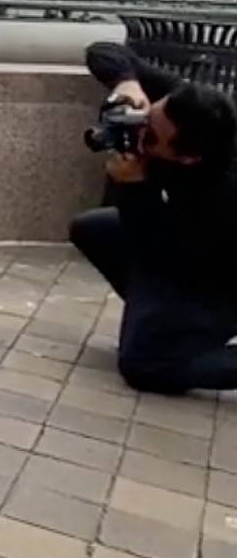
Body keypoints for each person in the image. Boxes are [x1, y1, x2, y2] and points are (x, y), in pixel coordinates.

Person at [71, 41, 237, 394]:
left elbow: (174, 258)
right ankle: (156, 320)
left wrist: (134, 188)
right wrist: (128, 83)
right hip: (187, 253)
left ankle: (172, 336)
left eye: (150, 137)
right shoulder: (180, 107)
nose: (139, 134)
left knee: (145, 365)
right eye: (143, 120)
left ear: (189, 157)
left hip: (221, 279)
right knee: (92, 229)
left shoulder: (224, 194)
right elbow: (102, 51)